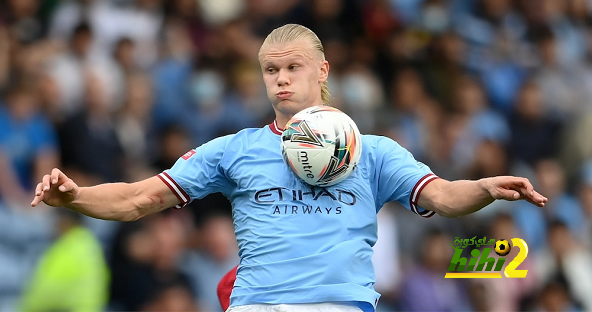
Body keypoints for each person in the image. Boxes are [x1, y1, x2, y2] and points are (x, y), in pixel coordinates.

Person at [31, 24, 547, 312]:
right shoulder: (235, 149)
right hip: (259, 305)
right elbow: (140, 198)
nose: (280, 79)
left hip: (341, 306)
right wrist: (75, 197)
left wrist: (483, 187)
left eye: (292, 67)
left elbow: (444, 196)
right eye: (271, 70)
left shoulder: (375, 150)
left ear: (321, 71)